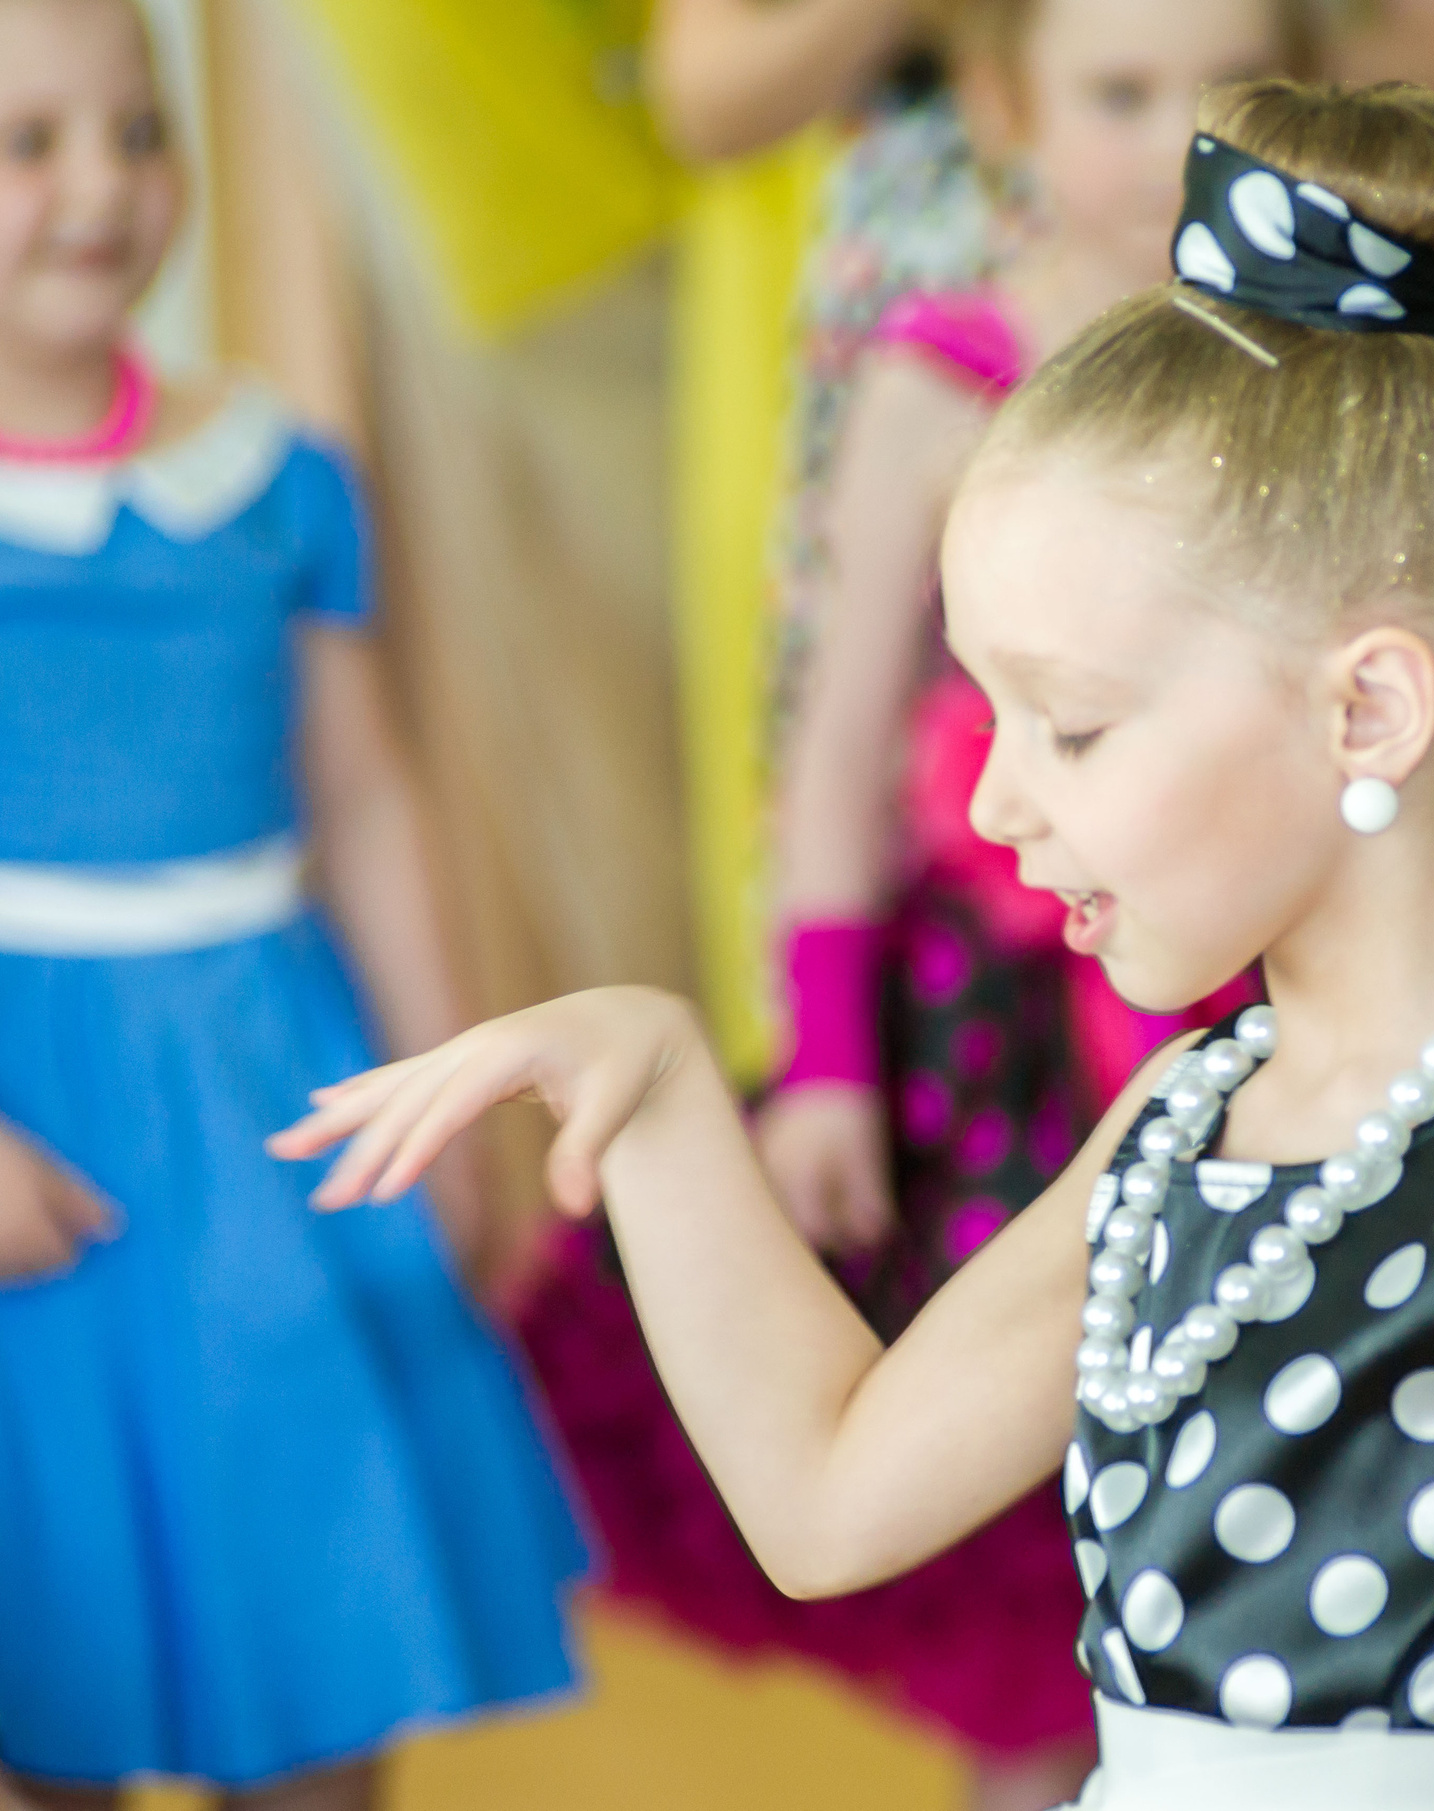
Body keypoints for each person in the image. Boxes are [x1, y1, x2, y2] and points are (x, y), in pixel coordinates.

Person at [277, 78, 1434, 1811]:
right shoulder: (1178, 1123)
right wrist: (669, 1087)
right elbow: (827, 1498)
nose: (995, 807)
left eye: (1070, 726)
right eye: (988, 718)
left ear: (1369, 712)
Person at [520, 5, 1305, 1806]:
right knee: (1021, 1553)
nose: (1178, 143)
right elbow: (837, 747)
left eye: (1229, 100)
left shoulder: (1311, 378)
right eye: (1120, 95)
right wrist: (828, 1063)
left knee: (1253, 1519)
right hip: (996, 1049)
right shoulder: (942, 373)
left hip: (1251, 1004)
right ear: (1001, 107)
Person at [0, 1, 585, 1804]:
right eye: (30, 145)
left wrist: (453, 1077)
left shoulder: (276, 476)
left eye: (138, 131)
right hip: (38, 1117)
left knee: (322, 1627)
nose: (100, 188)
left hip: (267, 1092)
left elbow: (364, 790)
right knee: (46, 1648)